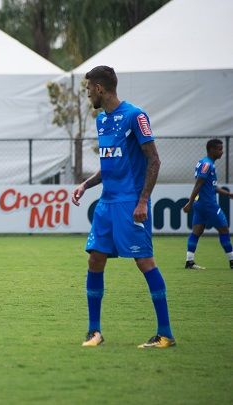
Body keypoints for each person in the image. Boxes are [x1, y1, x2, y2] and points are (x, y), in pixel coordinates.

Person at [71, 66, 175, 349]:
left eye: (89, 88)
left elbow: (154, 160)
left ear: (100, 89)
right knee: (95, 259)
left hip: (131, 203)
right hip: (106, 203)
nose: (88, 93)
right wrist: (85, 184)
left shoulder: (135, 116)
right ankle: (94, 331)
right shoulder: (102, 121)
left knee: (144, 262)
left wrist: (142, 200)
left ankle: (165, 334)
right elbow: (109, 165)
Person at [182, 139, 233, 270]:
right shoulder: (207, 165)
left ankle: (189, 261)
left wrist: (228, 194)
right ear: (211, 150)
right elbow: (199, 183)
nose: (222, 152)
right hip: (208, 204)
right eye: (220, 149)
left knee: (196, 231)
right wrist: (189, 202)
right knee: (224, 230)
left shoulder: (204, 163)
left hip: (201, 204)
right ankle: (232, 260)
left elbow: (211, 187)